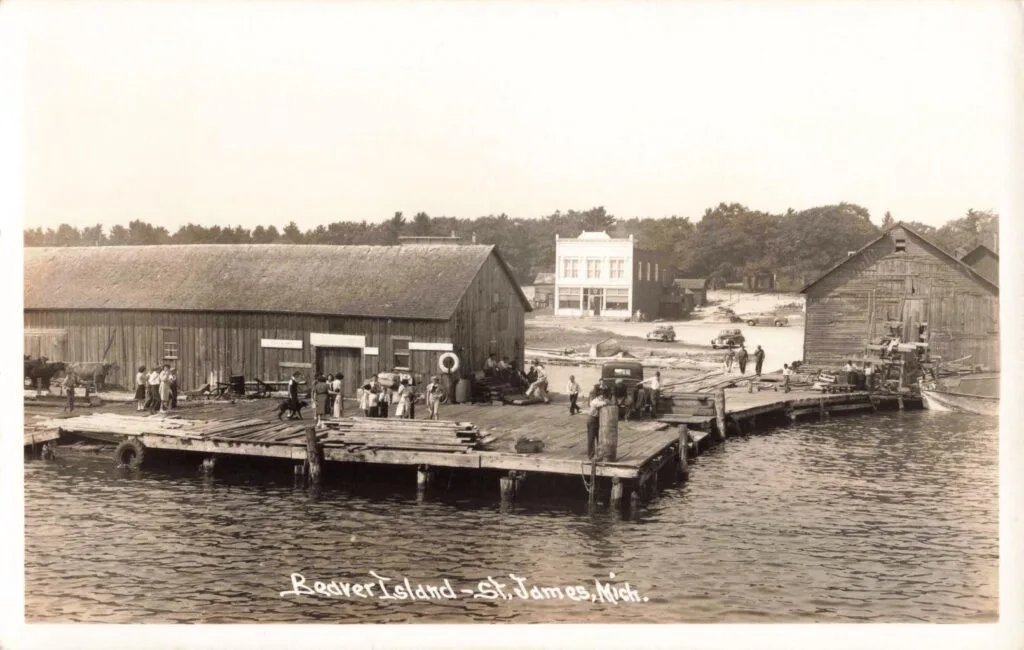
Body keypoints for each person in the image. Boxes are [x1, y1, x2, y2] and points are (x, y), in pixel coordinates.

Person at [587, 388, 610, 459]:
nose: (602, 397)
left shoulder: (601, 400)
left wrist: (606, 401)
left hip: (598, 419)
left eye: (603, 396)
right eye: (601, 396)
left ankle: (599, 454)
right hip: (592, 420)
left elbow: (606, 401)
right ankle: (591, 455)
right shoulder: (594, 402)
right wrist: (606, 401)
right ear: (598, 396)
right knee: (591, 438)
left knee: (599, 437)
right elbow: (604, 403)